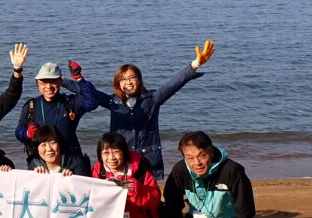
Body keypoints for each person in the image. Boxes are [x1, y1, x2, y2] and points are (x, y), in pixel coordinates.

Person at [85, 41, 216, 179]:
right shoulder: (113, 102)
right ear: (118, 84)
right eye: (123, 79)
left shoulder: (153, 99)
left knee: (150, 196)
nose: (128, 82)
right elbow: (88, 92)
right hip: (121, 160)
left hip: (148, 160)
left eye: (132, 78)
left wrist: (195, 64)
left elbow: (174, 83)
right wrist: (66, 80)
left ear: (139, 80)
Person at [16, 60, 96, 172]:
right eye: (43, 82)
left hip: (71, 163)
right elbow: (19, 132)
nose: (48, 86)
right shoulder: (31, 106)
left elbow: (92, 100)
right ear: (37, 83)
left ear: (60, 82)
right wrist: (27, 134)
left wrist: (78, 79)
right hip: (40, 163)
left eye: (53, 81)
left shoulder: (70, 103)